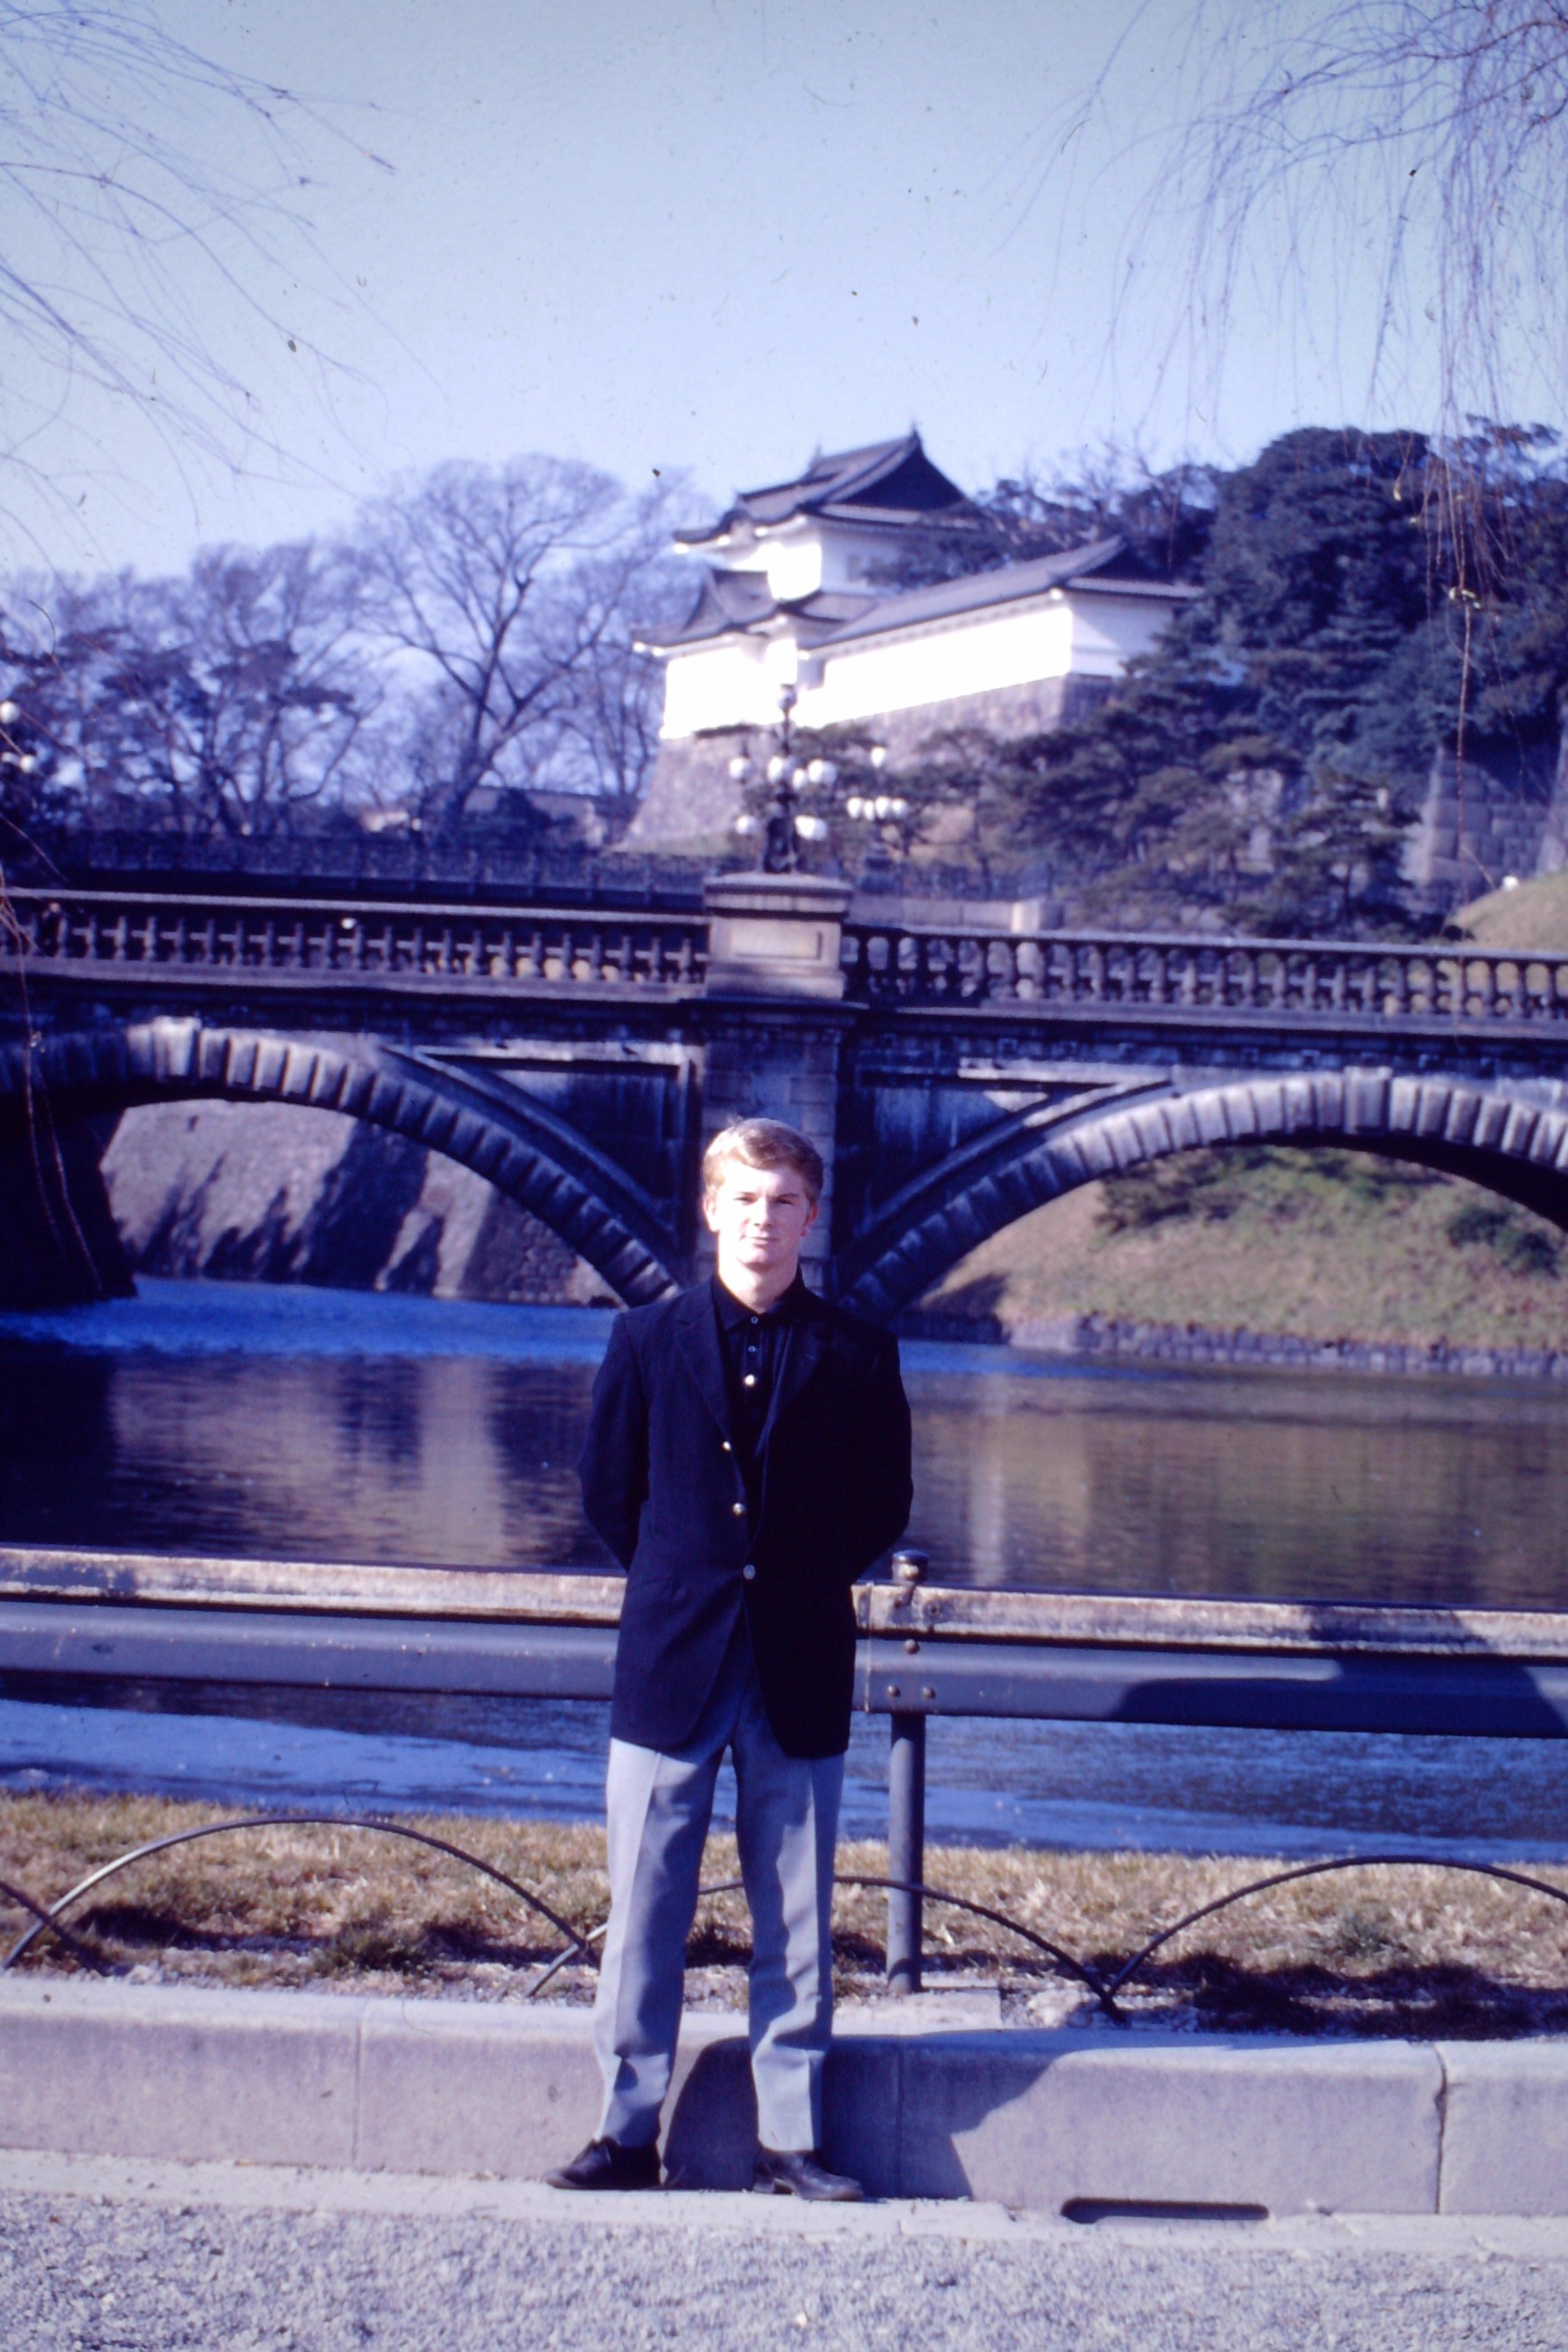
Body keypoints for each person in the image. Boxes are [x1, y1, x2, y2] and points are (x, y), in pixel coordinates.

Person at [546, 1115, 913, 2200]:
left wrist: (787, 1580)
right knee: (644, 1905)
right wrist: (688, 1577)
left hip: (796, 1662)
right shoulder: (646, 1341)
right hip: (671, 1660)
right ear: (711, 1210)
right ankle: (622, 2132)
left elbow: (880, 1507)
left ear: (812, 1217)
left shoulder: (859, 1352)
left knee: (796, 1912)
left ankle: (790, 2139)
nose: (762, 1219)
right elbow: (610, 1495)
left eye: (783, 1201)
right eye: (743, 1199)